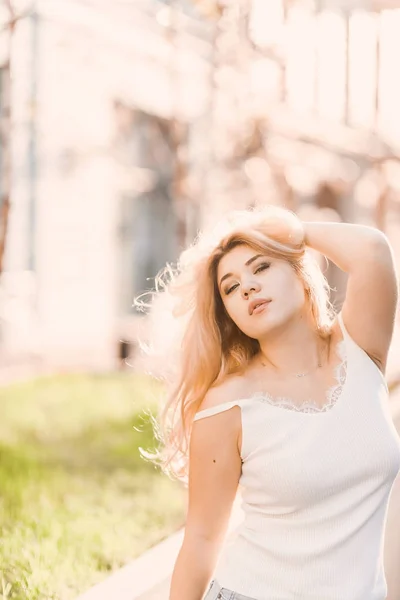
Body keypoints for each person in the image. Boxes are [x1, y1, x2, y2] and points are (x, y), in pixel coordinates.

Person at [138, 205, 400, 600]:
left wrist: (292, 231)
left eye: (262, 267)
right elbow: (202, 540)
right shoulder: (227, 405)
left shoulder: (360, 350)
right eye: (230, 286)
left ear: (301, 273)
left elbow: (373, 251)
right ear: (229, 313)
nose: (247, 287)